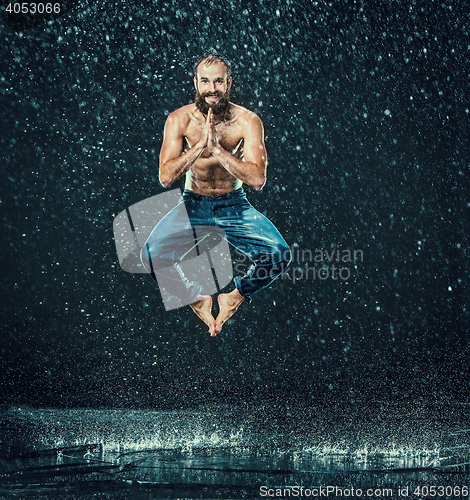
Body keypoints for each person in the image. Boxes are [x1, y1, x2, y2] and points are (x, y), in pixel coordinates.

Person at [142, 51, 291, 336]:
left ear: (229, 82)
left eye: (219, 81)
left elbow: (258, 179)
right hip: (193, 204)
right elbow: (164, 177)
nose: (212, 89)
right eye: (206, 81)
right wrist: (198, 147)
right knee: (151, 255)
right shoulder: (179, 120)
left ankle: (235, 294)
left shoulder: (247, 121)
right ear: (196, 83)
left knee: (279, 254)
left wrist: (218, 150)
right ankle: (193, 297)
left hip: (233, 205)